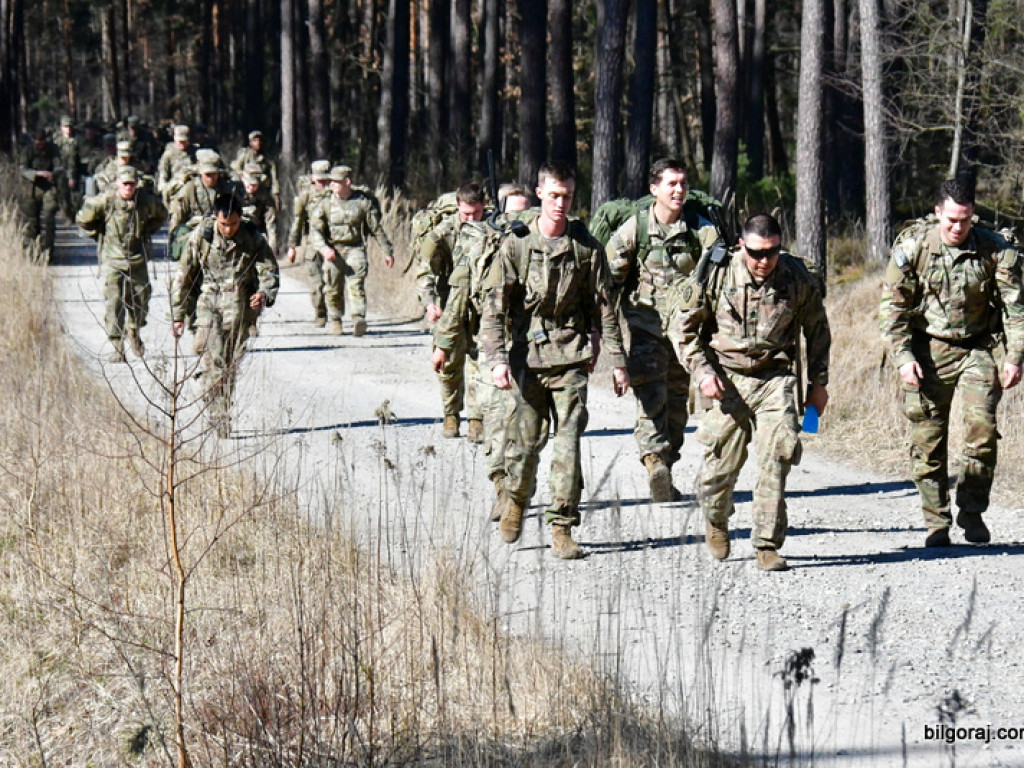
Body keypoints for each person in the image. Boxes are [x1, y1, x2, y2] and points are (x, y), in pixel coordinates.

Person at [479, 162, 630, 559]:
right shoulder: (517, 243)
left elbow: (605, 307)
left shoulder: (585, 248)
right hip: (527, 357)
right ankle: (515, 499)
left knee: (568, 445)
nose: (561, 203)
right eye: (554, 194)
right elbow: (494, 308)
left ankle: (562, 525)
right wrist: (496, 360)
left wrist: (617, 361)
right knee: (526, 445)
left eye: (567, 195)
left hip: (571, 356)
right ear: (540, 193)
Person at [669, 213, 830, 572]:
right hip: (726, 377)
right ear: (743, 245)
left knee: (777, 457)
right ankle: (716, 519)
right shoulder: (717, 273)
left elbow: (817, 330)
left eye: (772, 252)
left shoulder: (796, 277)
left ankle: (767, 545)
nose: (764, 261)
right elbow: (683, 331)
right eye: (756, 252)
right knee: (719, 469)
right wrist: (703, 372)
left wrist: (819, 385)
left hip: (775, 378)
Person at [879, 178, 1024, 547]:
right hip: (929, 347)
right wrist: (903, 358)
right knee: (927, 437)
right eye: (951, 220)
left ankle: (972, 512)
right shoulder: (913, 248)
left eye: (965, 220)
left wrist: (1015, 358)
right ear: (937, 213)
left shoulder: (994, 249)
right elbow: (892, 311)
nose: (958, 228)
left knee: (982, 430)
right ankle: (936, 522)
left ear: (973, 215)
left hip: (978, 346)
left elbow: (1015, 308)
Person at [606, 158, 707, 502]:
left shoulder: (698, 228)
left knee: (678, 405)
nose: (678, 190)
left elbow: (719, 273)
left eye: (682, 183)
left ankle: (666, 467)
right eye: (671, 184)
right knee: (651, 398)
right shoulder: (635, 229)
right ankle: (653, 462)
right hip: (646, 329)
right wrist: (610, 343)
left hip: (686, 335)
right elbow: (607, 284)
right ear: (654, 190)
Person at [433, 183, 532, 516]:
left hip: (537, 351)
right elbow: (459, 295)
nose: (518, 218)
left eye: (523, 211)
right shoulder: (483, 248)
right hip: (493, 348)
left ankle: (519, 488)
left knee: (527, 431)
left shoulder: (546, 246)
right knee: (495, 425)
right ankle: (503, 489)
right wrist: (444, 343)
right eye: (511, 211)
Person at [171, 193, 280, 437]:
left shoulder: (252, 237)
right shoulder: (202, 237)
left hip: (240, 308)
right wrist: (178, 314)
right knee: (216, 359)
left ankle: (217, 400)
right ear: (215, 219)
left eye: (233, 224)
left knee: (229, 365)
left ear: (240, 219)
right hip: (209, 304)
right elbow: (184, 277)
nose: (228, 229)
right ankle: (219, 416)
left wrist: (263, 293)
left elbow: (269, 270)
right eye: (223, 224)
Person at [416, 181, 487, 439]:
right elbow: (425, 271)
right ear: (457, 206)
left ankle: (477, 419)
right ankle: (451, 414)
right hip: (449, 304)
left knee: (480, 362)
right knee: (449, 364)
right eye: (466, 213)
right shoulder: (442, 234)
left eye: (476, 213)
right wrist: (429, 302)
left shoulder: (491, 230)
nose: (470, 218)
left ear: (484, 207)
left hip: (481, 306)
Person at [76, 166, 168, 362]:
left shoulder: (145, 201)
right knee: (114, 301)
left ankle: (134, 330)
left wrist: (146, 230)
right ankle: (118, 346)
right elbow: (83, 220)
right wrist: (99, 233)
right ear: (117, 182)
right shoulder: (105, 201)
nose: (128, 187)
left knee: (141, 297)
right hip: (113, 259)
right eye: (125, 183)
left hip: (137, 257)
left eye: (132, 184)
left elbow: (162, 214)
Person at [307, 165, 394, 336]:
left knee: (356, 284)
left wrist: (387, 251)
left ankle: (358, 318)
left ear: (347, 182)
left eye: (336, 182)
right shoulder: (325, 204)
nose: (332, 185)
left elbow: (376, 229)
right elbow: (314, 231)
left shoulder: (362, 203)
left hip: (355, 248)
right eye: (331, 182)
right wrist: (324, 249)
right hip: (333, 250)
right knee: (332, 288)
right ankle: (336, 319)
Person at [285, 159, 332, 327]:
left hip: (335, 244)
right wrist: (292, 247)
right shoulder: (305, 196)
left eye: (327, 180)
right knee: (316, 284)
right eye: (320, 181)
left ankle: (336, 315)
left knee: (334, 283)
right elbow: (298, 222)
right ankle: (320, 313)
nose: (324, 184)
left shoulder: (337, 193)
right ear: (312, 178)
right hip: (313, 244)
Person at [19, 127, 64, 260]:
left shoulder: (53, 149)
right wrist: (37, 174)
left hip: (49, 188)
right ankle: (31, 252)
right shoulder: (27, 151)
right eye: (38, 143)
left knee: (49, 219)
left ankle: (48, 252)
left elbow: (59, 166)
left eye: (42, 143)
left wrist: (52, 174)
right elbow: (22, 169)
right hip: (32, 189)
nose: (40, 145)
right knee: (32, 222)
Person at [232, 129, 280, 208]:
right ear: (250, 143)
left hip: (261, 190)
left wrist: (276, 196)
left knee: (270, 210)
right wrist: (244, 178)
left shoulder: (268, 159)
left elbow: (274, 178)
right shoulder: (245, 155)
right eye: (255, 140)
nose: (258, 143)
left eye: (260, 140)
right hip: (246, 189)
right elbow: (236, 167)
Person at [239, 163, 278, 251]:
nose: (251, 188)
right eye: (248, 184)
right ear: (242, 178)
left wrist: (272, 245)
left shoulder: (264, 195)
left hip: (255, 231)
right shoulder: (233, 190)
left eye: (254, 185)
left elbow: (271, 221)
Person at [157, 124, 197, 205]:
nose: (182, 144)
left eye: (185, 141)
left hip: (193, 190)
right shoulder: (168, 154)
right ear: (175, 138)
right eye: (180, 141)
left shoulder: (195, 152)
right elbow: (163, 178)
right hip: (175, 191)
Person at [54, 115, 82, 219]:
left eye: (69, 126)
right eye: (65, 127)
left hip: (75, 171)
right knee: (62, 194)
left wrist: (72, 175)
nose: (68, 129)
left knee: (76, 196)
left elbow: (77, 158)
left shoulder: (77, 140)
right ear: (61, 127)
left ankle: (75, 215)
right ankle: (67, 215)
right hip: (61, 171)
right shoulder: (57, 140)